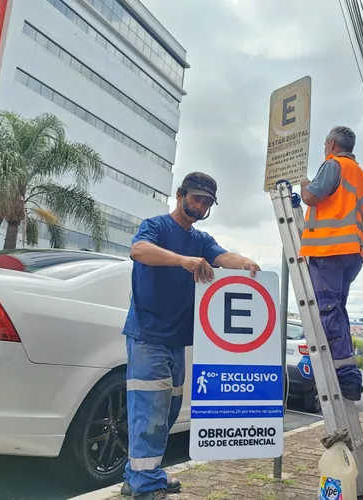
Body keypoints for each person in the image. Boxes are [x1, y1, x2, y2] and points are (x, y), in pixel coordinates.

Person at [119, 172, 260, 500]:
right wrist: (182, 261)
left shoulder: (201, 240)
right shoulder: (155, 227)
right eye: (196, 198)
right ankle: (146, 484)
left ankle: (139, 474)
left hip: (177, 340)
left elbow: (223, 257)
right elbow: (139, 251)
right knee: (150, 409)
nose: (200, 205)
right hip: (148, 335)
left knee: (167, 411)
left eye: (207, 202)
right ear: (181, 194)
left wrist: (246, 263)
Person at [299, 125, 363, 402]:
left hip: (329, 249)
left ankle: (347, 375)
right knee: (337, 311)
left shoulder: (333, 165)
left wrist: (304, 183)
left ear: (330, 144)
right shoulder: (362, 176)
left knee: (327, 310)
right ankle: (345, 367)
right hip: (352, 253)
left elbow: (310, 197)